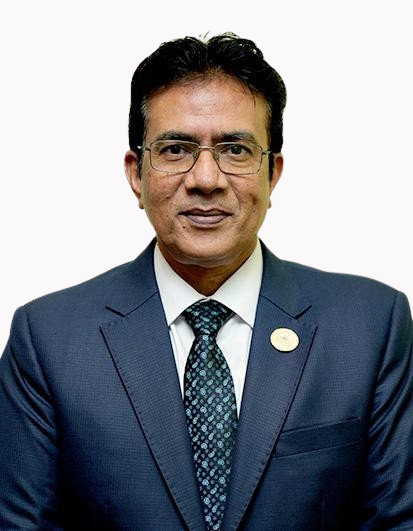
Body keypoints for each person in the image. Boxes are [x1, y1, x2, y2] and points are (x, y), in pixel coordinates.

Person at [0, 33, 412, 531]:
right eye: (176, 149)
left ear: (272, 174)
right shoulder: (48, 339)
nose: (206, 179)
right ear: (136, 174)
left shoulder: (371, 326)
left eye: (235, 150)